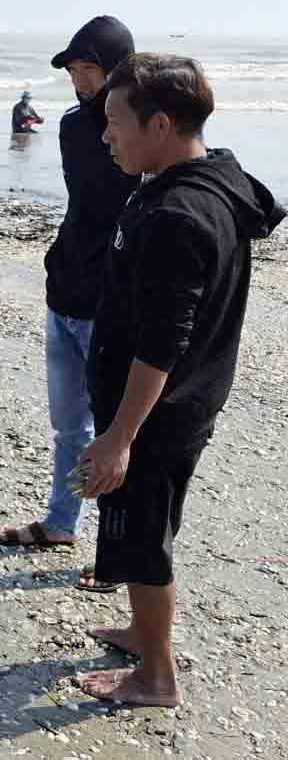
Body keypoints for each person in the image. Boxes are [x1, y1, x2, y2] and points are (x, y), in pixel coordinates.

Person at [78, 53, 282, 707]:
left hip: (161, 412)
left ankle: (156, 675)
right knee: (150, 521)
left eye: (115, 122)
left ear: (160, 124)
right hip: (185, 401)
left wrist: (119, 437)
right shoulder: (216, 176)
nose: (105, 134)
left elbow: (163, 344)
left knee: (143, 535)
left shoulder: (179, 214)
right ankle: (142, 631)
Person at [0, 16, 139, 597]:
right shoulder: (74, 125)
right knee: (67, 425)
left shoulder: (146, 128)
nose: (79, 80)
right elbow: (85, 204)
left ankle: (117, 554)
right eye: (74, 70)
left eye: (89, 69)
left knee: (114, 432)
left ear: (118, 69)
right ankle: (60, 523)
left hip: (113, 300)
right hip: (66, 288)